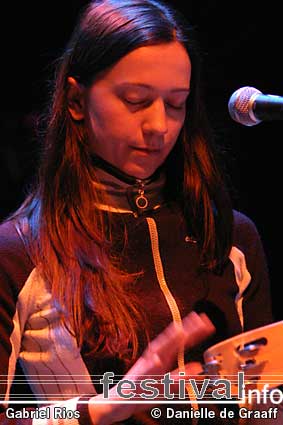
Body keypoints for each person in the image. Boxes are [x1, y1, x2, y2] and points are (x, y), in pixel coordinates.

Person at [0, 0, 276, 424]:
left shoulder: (231, 236)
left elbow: (263, 404)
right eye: (135, 100)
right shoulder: (18, 254)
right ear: (76, 99)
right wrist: (106, 407)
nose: (159, 127)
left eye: (176, 104)